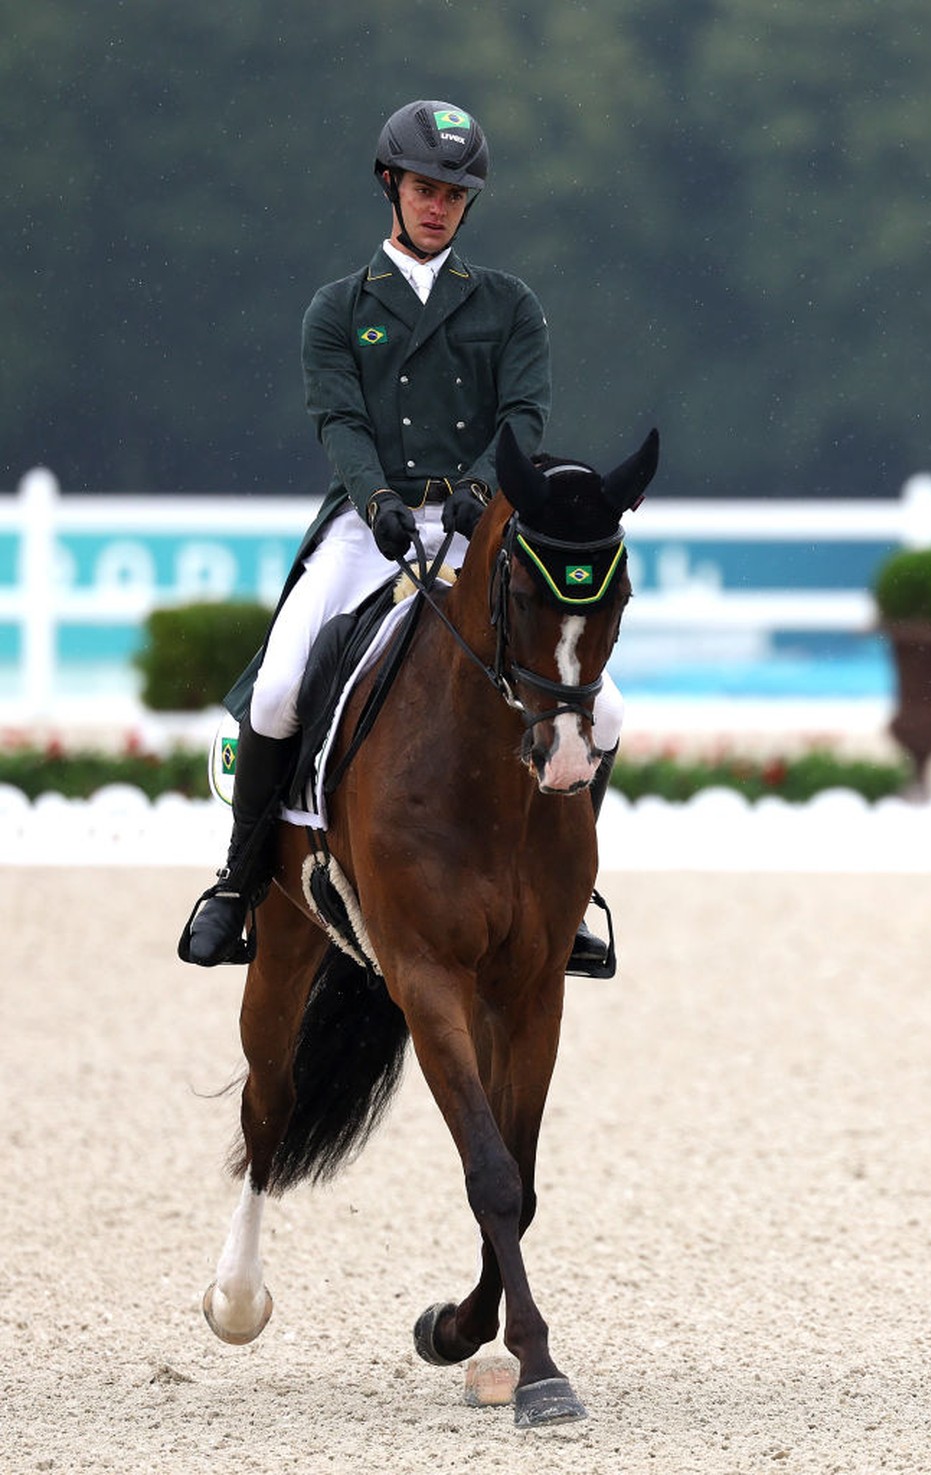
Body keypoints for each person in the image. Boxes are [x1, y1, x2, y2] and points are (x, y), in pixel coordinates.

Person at [179, 99, 622, 975]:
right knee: (274, 695)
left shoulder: (507, 305)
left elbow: (523, 414)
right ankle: (237, 883)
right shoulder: (339, 308)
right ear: (392, 185)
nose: (438, 206)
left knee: (603, 709)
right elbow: (340, 419)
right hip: (366, 524)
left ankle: (565, 894)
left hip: (477, 526)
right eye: (424, 188)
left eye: (454, 195)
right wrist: (376, 497)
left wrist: (478, 490)